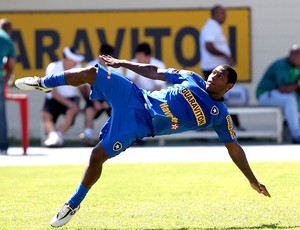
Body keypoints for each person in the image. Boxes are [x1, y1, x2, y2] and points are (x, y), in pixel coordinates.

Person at [15, 55, 271, 227]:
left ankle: (73, 204)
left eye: (219, 77)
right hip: (137, 96)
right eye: (214, 72)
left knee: (97, 156)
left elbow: (234, 147)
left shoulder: (220, 116)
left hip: (139, 125)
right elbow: (155, 72)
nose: (213, 76)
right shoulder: (192, 78)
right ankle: (44, 82)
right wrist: (121, 62)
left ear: (228, 86)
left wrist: (251, 179)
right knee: (93, 72)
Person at [199, 5, 244, 130]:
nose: (225, 16)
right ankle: (207, 127)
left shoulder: (214, 27)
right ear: (214, 14)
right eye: (222, 13)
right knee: (223, 97)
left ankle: (233, 125)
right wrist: (225, 55)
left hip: (215, 69)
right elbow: (209, 46)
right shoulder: (211, 26)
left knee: (225, 97)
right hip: (213, 69)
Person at [79, 44, 122, 146]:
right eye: (104, 58)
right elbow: (87, 87)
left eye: (108, 58)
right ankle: (88, 135)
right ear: (100, 56)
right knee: (89, 111)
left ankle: (116, 137)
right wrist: (95, 102)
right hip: (94, 97)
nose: (106, 62)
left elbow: (117, 88)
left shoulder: (116, 67)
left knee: (116, 111)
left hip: (110, 98)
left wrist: (108, 102)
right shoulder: (90, 66)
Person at [40, 47, 84, 147]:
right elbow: (53, 92)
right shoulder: (52, 67)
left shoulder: (78, 67)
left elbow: (82, 88)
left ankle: (57, 136)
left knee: (72, 110)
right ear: (67, 58)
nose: (76, 62)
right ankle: (53, 136)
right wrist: (70, 104)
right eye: (74, 59)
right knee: (45, 114)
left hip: (72, 98)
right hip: (55, 98)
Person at [256, 44, 300, 143]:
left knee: (292, 98)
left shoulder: (298, 66)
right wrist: (297, 85)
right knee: (290, 99)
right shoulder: (282, 65)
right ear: (292, 55)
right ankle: (296, 135)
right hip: (266, 95)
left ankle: (290, 128)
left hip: (284, 96)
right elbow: (283, 89)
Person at [0, 18, 16, 155]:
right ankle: (3, 146)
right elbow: (10, 67)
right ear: (9, 29)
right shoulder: (8, 40)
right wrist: (4, 82)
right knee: (0, 113)